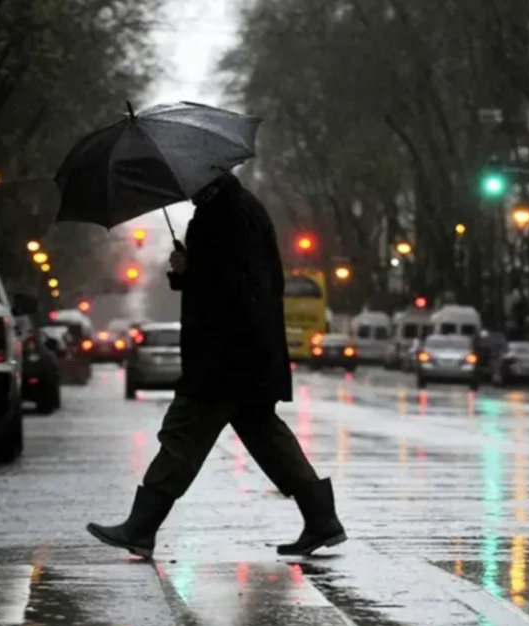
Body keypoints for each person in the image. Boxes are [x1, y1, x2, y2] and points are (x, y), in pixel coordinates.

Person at [86, 171, 346, 559]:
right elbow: (232, 278)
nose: (185, 189)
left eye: (188, 181)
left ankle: (141, 527)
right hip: (244, 354)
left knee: (182, 435)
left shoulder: (227, 214)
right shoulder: (233, 208)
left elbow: (236, 284)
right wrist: (185, 272)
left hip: (225, 356)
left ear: (206, 178)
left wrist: (192, 270)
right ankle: (322, 519)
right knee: (267, 439)